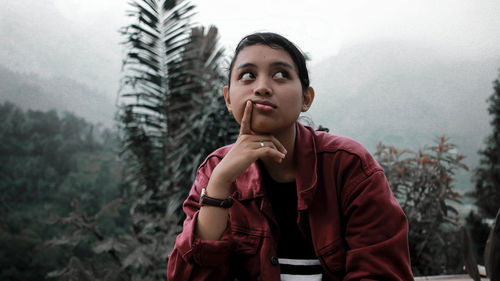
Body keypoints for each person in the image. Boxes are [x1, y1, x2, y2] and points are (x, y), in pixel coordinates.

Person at [167, 32, 413, 281]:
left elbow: (382, 273)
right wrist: (219, 187)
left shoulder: (349, 166)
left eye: (281, 75)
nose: (262, 87)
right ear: (229, 99)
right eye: (248, 75)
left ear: (306, 98)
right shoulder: (214, 171)